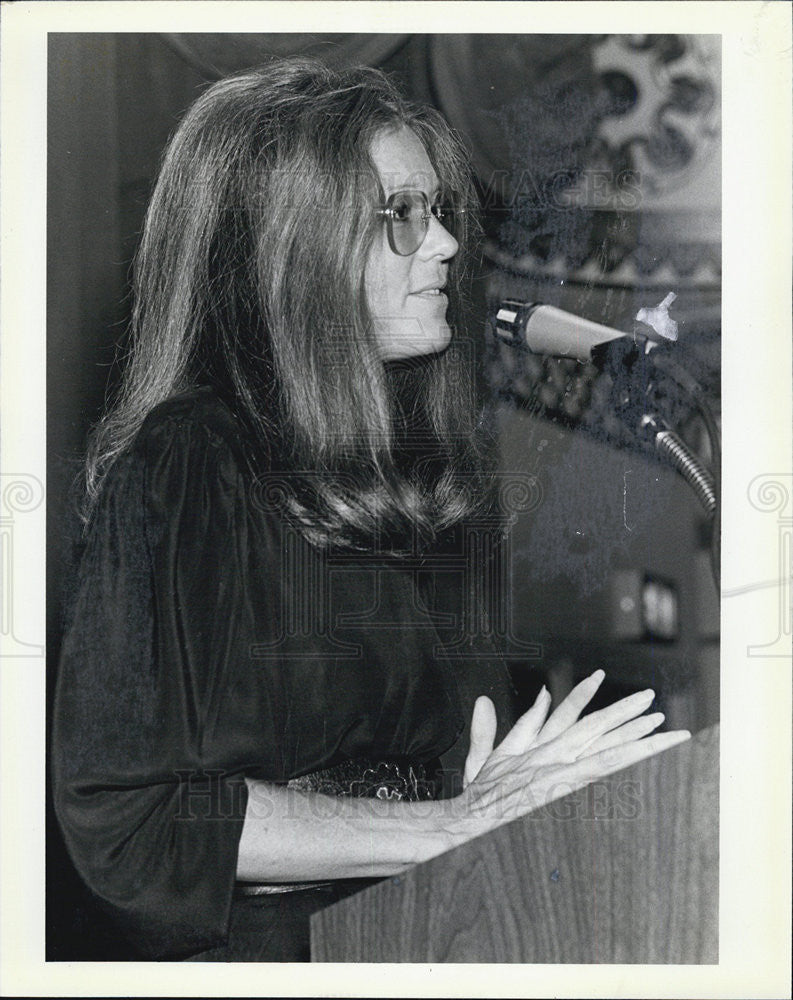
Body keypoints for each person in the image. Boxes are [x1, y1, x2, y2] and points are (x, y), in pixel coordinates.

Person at [51, 58, 690, 962]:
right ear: (290, 247)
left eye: (439, 212)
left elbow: (437, 782)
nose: (445, 247)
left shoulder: (420, 465)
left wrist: (506, 780)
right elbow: (131, 819)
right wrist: (451, 825)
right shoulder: (189, 460)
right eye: (402, 216)